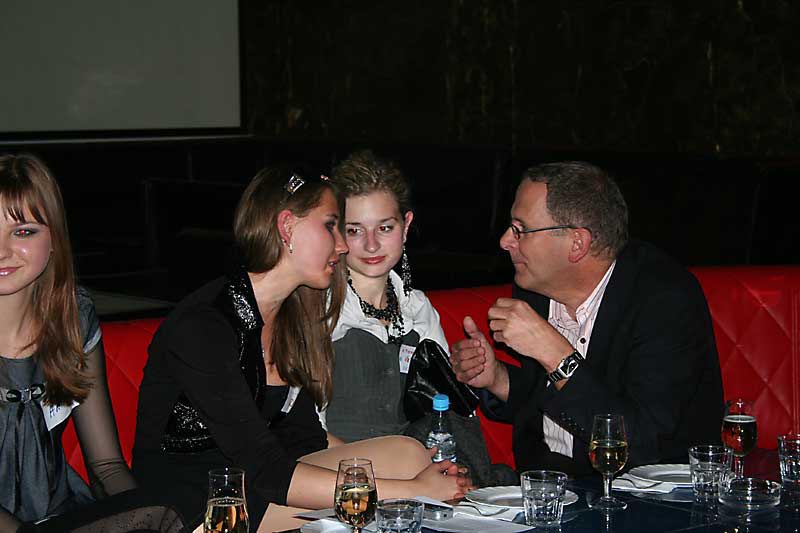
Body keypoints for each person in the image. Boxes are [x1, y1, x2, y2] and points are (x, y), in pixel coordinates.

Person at [133, 167, 471, 532]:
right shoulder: (205, 324)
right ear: (287, 227)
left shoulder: (292, 313)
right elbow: (266, 470)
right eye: (331, 226)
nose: (343, 246)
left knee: (407, 454)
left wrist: (415, 474)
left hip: (266, 480)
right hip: (205, 498)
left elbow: (306, 437)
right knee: (401, 481)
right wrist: (410, 489)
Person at [451, 161, 724, 476]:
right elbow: (552, 404)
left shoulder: (664, 299)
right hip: (548, 485)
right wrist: (497, 378)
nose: (505, 241)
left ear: (577, 243)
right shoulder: (535, 289)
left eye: (520, 229)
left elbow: (643, 443)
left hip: (647, 493)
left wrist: (554, 353)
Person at [0, 154, 181, 533]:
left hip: (61, 518)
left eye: (23, 232)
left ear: (54, 239)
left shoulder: (73, 319)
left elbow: (106, 467)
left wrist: (146, 516)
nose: (2, 250)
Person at [325, 150, 449, 442]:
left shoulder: (417, 307)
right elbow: (301, 425)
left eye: (384, 228)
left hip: (414, 460)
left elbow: (441, 408)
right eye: (355, 230)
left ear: (406, 227)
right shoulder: (321, 308)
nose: (371, 245)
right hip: (335, 463)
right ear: (336, 233)